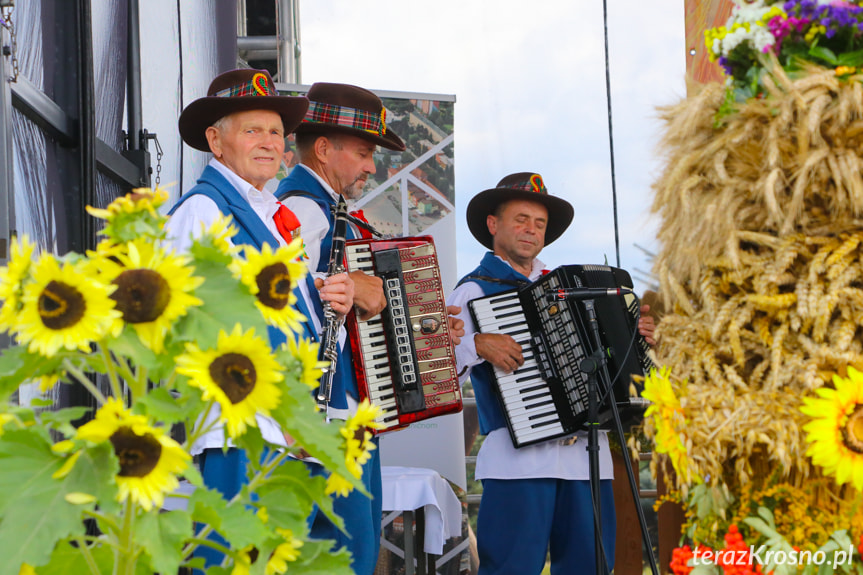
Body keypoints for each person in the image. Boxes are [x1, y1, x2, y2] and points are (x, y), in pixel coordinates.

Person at [163, 68, 355, 568]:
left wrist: (318, 295)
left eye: (275, 132)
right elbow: (180, 320)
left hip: (285, 426)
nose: (269, 142)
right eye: (252, 130)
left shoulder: (267, 212)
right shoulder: (202, 211)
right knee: (231, 561)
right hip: (240, 427)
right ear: (216, 141)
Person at [275, 82, 464, 575]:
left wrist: (422, 327)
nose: (370, 166)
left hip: (345, 418)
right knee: (342, 554)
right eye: (362, 152)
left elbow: (362, 308)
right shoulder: (302, 210)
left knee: (350, 551)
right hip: (323, 419)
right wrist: (350, 285)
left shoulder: (333, 212)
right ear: (322, 148)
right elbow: (274, 294)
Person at [448, 172, 656, 575]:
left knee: (592, 569)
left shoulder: (568, 289)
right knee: (511, 569)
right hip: (517, 462)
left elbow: (616, 362)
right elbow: (440, 370)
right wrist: (476, 344)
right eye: (521, 219)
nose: (531, 230)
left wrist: (639, 340)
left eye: (539, 224)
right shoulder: (474, 291)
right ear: (494, 225)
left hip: (585, 460)